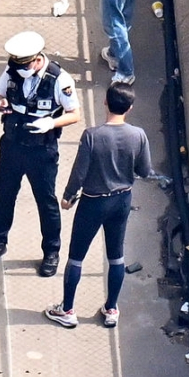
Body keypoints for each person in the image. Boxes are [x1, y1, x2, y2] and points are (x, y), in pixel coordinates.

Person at [44, 82, 152, 329]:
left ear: (105, 102)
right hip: (122, 200)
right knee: (116, 256)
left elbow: (79, 172)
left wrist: (69, 196)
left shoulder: (93, 136)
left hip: (93, 203)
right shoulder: (138, 135)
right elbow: (144, 171)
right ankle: (111, 308)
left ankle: (68, 310)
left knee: (76, 257)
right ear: (130, 108)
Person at [0, 32, 80, 277]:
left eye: (24, 65)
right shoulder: (13, 70)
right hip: (13, 144)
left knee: (46, 202)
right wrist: (1, 102)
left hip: (41, 150)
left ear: (36, 59)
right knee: (4, 196)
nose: (20, 69)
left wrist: (51, 124)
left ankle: (51, 252)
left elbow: (74, 113)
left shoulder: (58, 79)